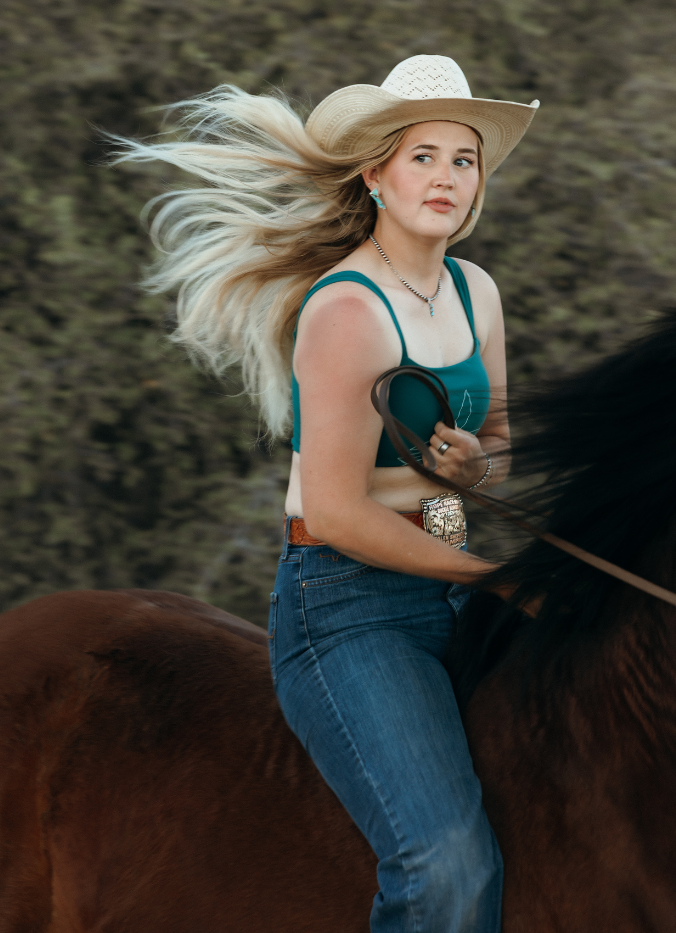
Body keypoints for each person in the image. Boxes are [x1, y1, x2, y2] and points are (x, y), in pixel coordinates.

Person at [114, 53, 539, 933]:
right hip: (352, 608)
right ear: (376, 173)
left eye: (464, 160)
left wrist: (471, 473)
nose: (448, 177)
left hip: (454, 578)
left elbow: (495, 449)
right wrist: (491, 575)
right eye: (423, 156)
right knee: (448, 866)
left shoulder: (476, 292)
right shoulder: (345, 309)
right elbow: (341, 515)